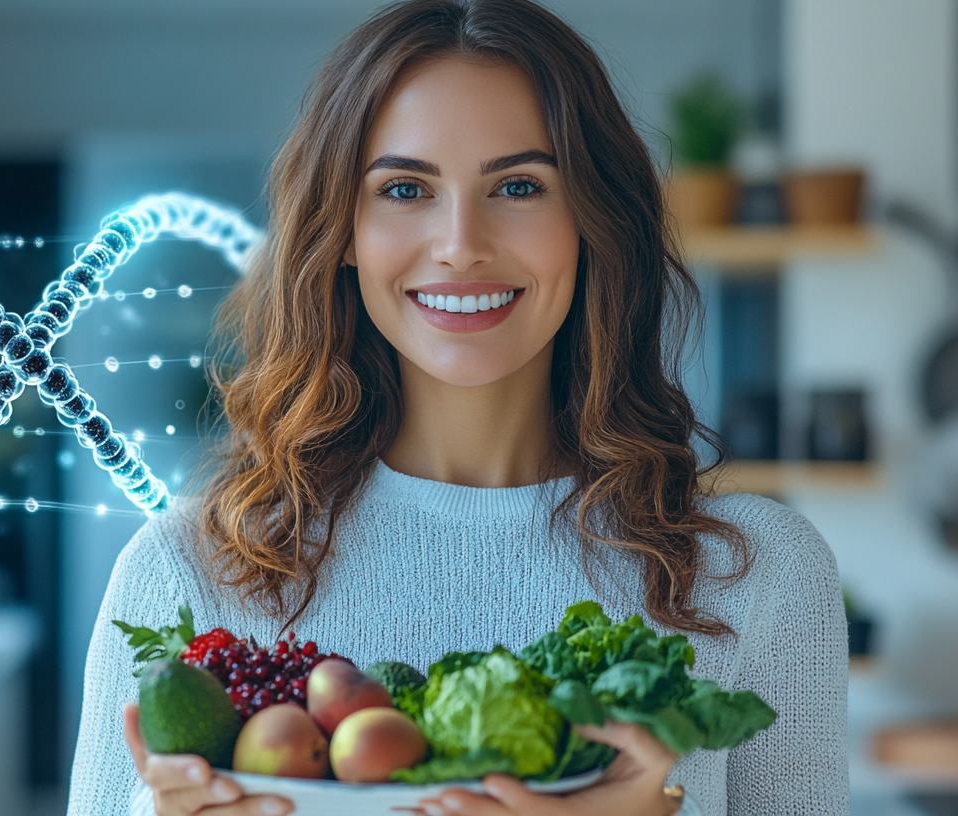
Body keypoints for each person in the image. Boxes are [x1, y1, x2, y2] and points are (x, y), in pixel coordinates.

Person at [66, 1, 847, 814]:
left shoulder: (758, 574)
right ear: (342, 233)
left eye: (518, 185)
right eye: (405, 188)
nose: (460, 243)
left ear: (594, 221)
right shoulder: (190, 570)